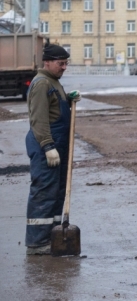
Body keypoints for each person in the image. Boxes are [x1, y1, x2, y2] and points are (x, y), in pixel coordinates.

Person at [25, 43, 79, 255]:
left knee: (57, 192)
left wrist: (68, 100)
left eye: (66, 63)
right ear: (47, 62)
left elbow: (55, 110)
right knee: (44, 192)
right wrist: (48, 146)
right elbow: (38, 120)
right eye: (61, 63)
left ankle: (54, 235)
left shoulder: (53, 82)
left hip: (58, 144)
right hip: (46, 145)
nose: (64, 67)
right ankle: (37, 243)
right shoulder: (41, 84)